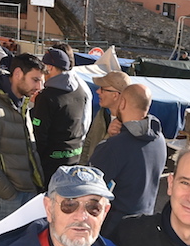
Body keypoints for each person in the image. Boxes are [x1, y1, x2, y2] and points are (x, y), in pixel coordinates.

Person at [0, 51, 46, 229]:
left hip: (26, 191)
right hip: (4, 198)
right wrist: (8, 194)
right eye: (35, 79)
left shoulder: (21, 103)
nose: (40, 86)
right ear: (18, 74)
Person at [88, 82, 166, 233]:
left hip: (114, 232)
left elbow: (87, 190)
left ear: (122, 103)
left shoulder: (114, 147)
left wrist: (108, 140)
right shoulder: (159, 140)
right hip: (144, 226)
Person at [31, 47, 85, 185]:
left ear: (49, 67)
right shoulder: (80, 90)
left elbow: (40, 135)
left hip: (51, 164)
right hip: (74, 158)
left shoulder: (46, 97)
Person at [81, 70, 130, 164]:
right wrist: (82, 167)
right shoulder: (101, 113)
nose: (98, 91)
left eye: (102, 89)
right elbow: (88, 143)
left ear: (115, 95)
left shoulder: (127, 125)